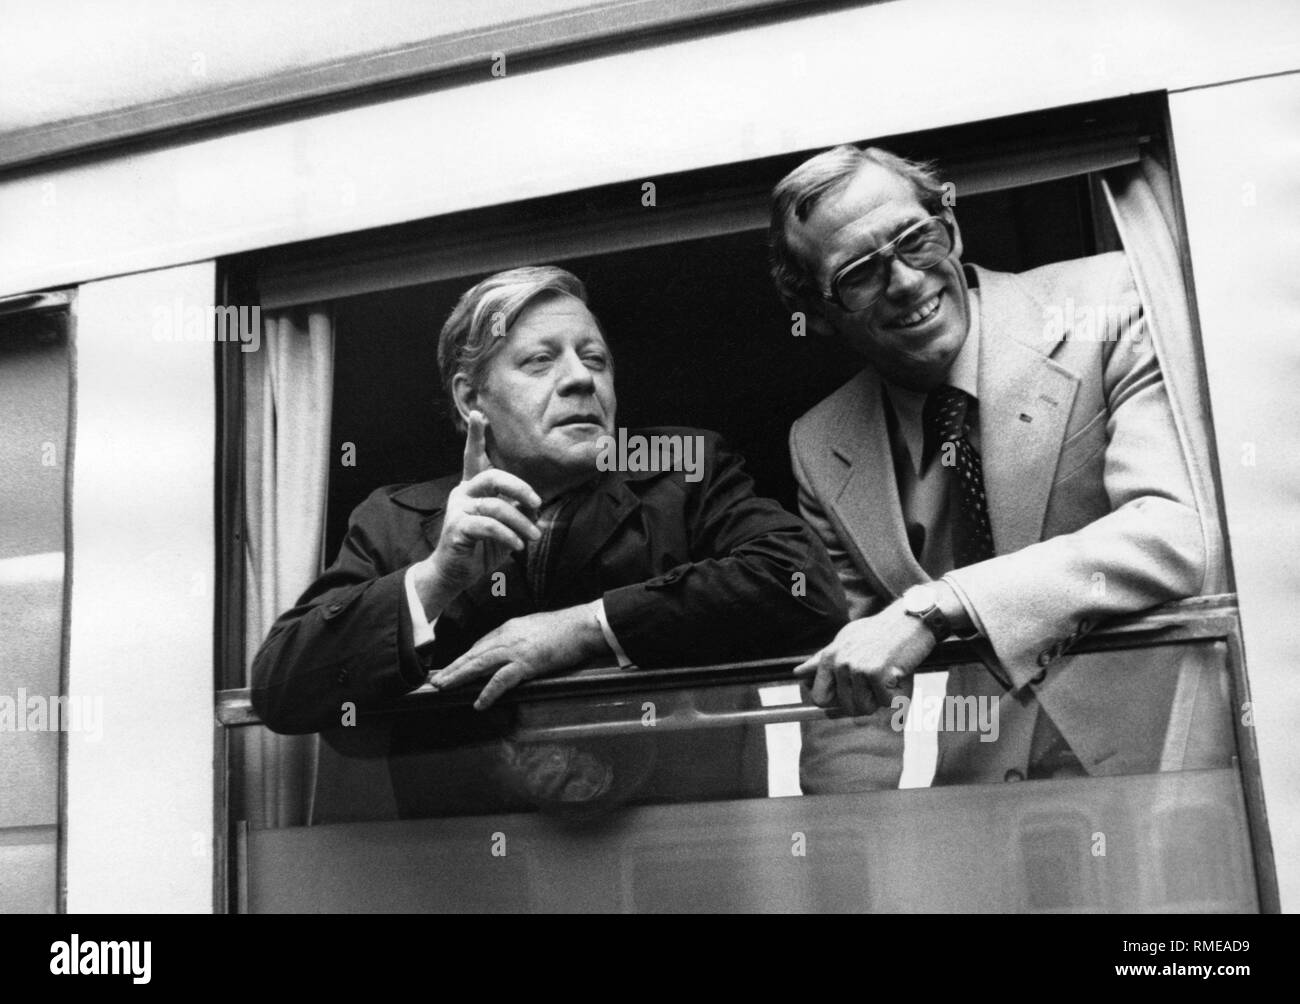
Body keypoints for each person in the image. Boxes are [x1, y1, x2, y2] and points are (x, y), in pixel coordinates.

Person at [251, 265, 846, 816]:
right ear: (470, 398)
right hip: (466, 877)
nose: (582, 379)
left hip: (677, 859)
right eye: (540, 361)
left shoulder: (686, 472)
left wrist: (583, 627)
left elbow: (807, 588)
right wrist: (436, 580)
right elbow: (281, 689)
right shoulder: (398, 520)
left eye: (596, 359)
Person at [768, 145, 1206, 790]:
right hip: (984, 802)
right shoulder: (818, 442)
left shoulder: (1105, 301)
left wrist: (937, 606)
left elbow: (1175, 533)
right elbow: (854, 685)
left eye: (917, 239)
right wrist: (851, 841)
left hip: (1176, 764)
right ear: (821, 312)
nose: (909, 282)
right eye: (859, 274)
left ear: (953, 226)